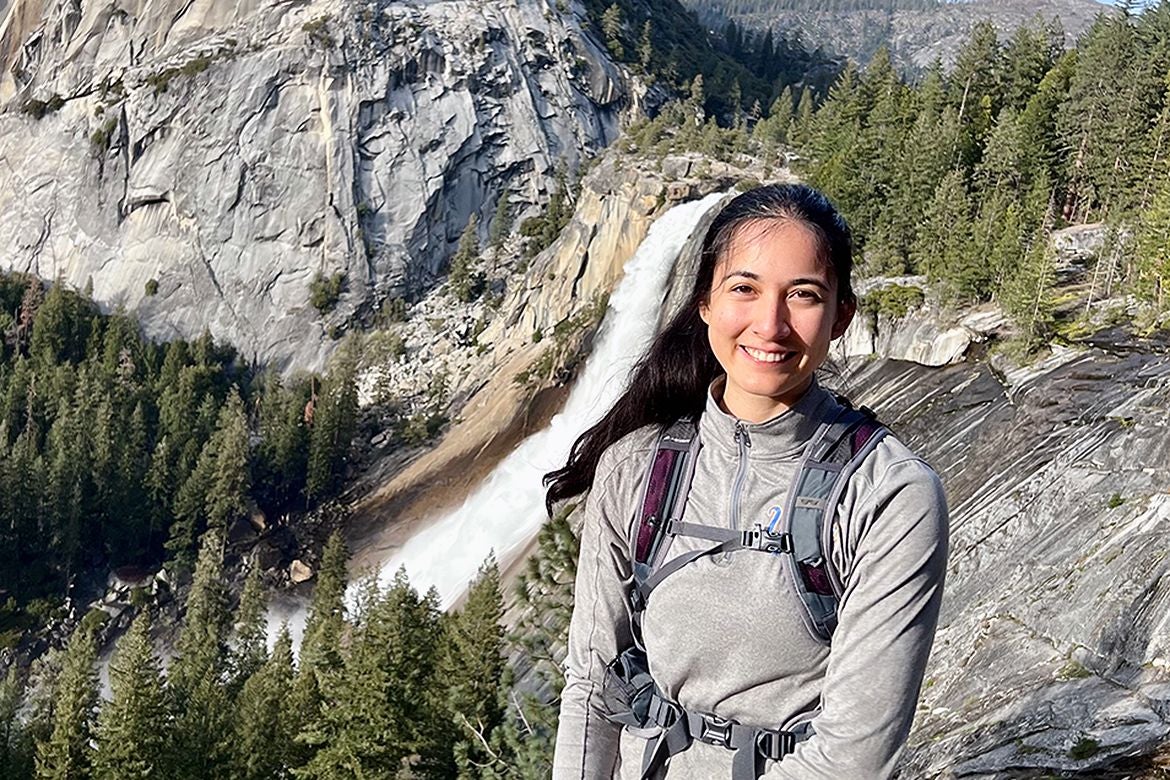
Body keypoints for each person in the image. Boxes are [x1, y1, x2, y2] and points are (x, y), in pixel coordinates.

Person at [543, 183, 949, 779]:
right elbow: (593, 683)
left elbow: (854, 758)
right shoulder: (636, 467)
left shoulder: (889, 495)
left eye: (803, 295)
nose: (771, 324)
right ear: (705, 303)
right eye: (744, 289)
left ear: (841, 316)